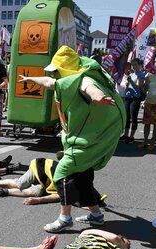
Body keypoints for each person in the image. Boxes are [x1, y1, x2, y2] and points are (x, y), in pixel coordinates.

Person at [18, 46, 125, 233]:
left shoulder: (83, 78)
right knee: (83, 179)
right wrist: (30, 79)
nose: (55, 75)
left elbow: (89, 88)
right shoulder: (65, 81)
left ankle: (65, 218)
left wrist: (98, 97)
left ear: (65, 69)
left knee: (61, 175)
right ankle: (96, 215)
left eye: (57, 71)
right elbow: (49, 83)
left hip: (84, 144)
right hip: (82, 140)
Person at [121, 59, 144, 143]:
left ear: (139, 65)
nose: (133, 66)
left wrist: (130, 81)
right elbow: (128, 86)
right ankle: (126, 135)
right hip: (128, 97)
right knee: (126, 117)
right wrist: (127, 85)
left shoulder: (141, 74)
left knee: (133, 117)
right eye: (132, 65)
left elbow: (138, 87)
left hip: (135, 98)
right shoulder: (131, 74)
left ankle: (131, 136)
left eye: (135, 65)